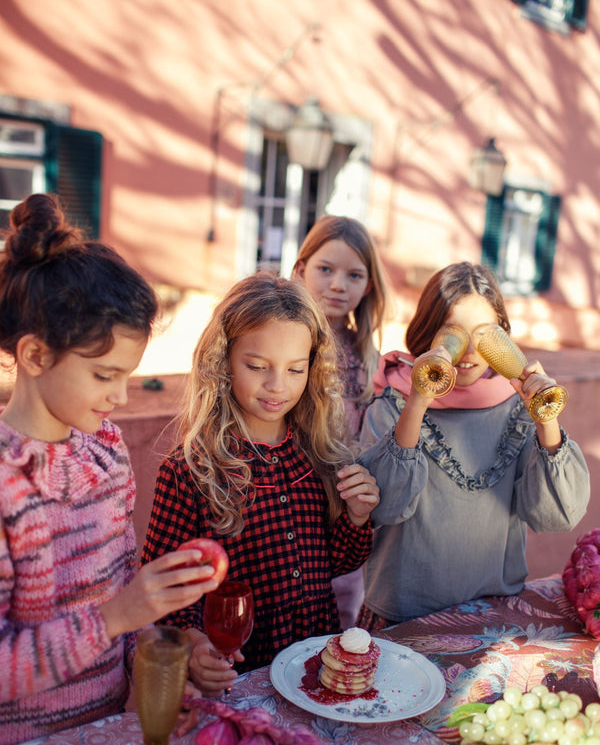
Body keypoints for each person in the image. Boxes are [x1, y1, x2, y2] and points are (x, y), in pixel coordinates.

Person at [0, 194, 219, 745]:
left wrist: (160, 669)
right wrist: (115, 616)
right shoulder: (7, 487)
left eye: (128, 375)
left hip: (102, 734)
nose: (120, 396)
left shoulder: (105, 452)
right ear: (34, 357)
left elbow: (127, 600)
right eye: (104, 376)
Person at [141, 272, 379, 696]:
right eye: (256, 366)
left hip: (315, 676)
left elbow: (338, 562)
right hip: (240, 683)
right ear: (223, 361)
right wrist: (195, 646)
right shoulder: (190, 470)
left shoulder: (321, 455)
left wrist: (357, 517)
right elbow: (166, 595)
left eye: (295, 369)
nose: (277, 386)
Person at [357, 261, 590, 627]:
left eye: (484, 335)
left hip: (492, 616)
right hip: (403, 619)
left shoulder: (518, 409)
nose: (467, 352)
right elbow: (385, 507)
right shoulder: (392, 404)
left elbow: (558, 515)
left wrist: (546, 420)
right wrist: (418, 400)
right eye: (453, 334)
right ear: (428, 333)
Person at [292, 215, 390, 627]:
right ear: (300, 270)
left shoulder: (369, 360)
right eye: (325, 269)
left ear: (368, 286)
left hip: (343, 517)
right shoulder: (285, 341)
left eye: (353, 275)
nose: (337, 285)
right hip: (288, 506)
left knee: (339, 626)